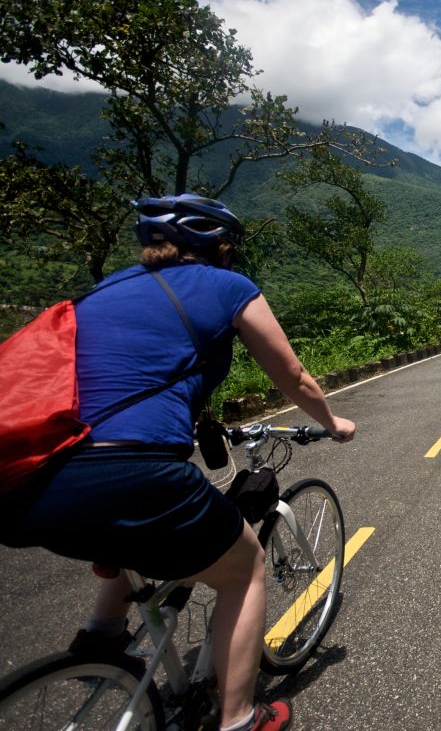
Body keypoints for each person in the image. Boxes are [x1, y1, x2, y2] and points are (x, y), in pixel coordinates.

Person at [0, 193, 356, 731]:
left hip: (29, 483)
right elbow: (294, 376)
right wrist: (333, 423)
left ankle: (103, 635)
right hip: (132, 472)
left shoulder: (100, 292)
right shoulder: (227, 286)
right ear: (219, 247)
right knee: (245, 567)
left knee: (126, 534)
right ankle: (239, 718)